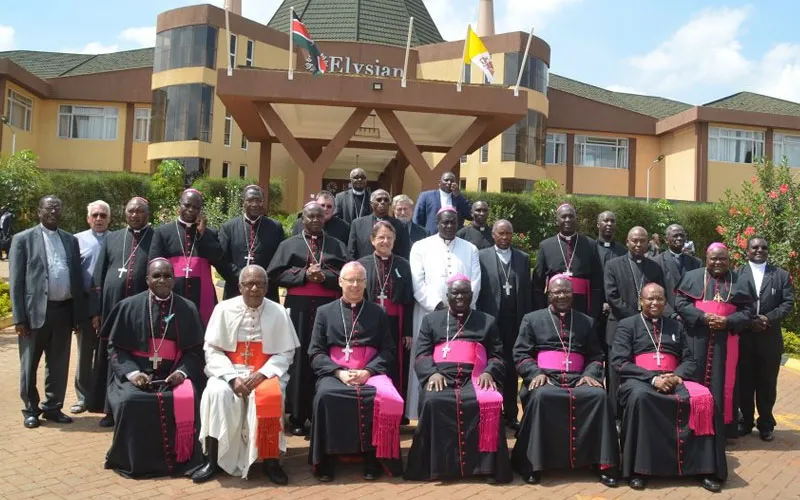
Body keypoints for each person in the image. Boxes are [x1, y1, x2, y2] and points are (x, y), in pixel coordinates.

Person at [194, 265, 300, 484]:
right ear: (240, 287)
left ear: (267, 287)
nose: (254, 289)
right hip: (229, 372)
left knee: (270, 396)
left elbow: (286, 351)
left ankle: (271, 461)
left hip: (264, 373)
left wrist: (262, 374)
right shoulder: (223, 309)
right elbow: (212, 349)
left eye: (260, 284)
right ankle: (212, 460)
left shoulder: (278, 312)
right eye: (249, 284)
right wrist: (231, 377)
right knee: (216, 394)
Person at [611, 283, 721, 492]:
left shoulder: (675, 327)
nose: (655, 303)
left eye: (660, 298)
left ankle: (703, 469)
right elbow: (620, 362)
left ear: (665, 302)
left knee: (704, 399)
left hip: (673, 378)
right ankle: (639, 470)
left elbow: (690, 360)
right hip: (640, 380)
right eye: (650, 299)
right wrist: (652, 378)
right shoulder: (627, 325)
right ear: (640, 301)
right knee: (641, 398)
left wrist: (677, 376)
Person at [511, 276, 619, 486]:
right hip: (546, 376)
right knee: (542, 396)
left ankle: (603, 463)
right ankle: (534, 463)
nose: (561, 296)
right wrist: (535, 374)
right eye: (556, 292)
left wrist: (589, 374)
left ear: (573, 294)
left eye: (566, 292)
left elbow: (596, 355)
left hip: (578, 378)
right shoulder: (532, 319)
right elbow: (521, 353)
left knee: (598, 396)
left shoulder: (586, 322)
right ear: (548, 294)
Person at [102, 258, 206, 478]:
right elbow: (115, 349)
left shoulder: (187, 308)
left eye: (167, 275)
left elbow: (196, 351)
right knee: (131, 401)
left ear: (174, 279)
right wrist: (132, 373)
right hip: (138, 375)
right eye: (157, 276)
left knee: (188, 398)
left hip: (172, 375)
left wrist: (181, 372)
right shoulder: (128, 306)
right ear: (147, 279)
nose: (162, 280)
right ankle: (135, 461)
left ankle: (183, 459)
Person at [404, 275, 511, 483]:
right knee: (434, 401)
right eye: (455, 293)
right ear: (447, 295)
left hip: (476, 378)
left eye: (465, 293)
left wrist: (490, 372)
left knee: (488, 402)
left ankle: (485, 467)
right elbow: (422, 354)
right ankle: (435, 467)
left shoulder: (486, 321)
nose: (460, 297)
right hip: (441, 377)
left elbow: (497, 355)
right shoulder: (431, 320)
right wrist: (431, 373)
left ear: (471, 295)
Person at [308, 262, 404, 481]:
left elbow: (388, 349)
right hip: (336, 372)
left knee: (381, 397)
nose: (354, 285)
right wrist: (338, 372)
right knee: (326, 395)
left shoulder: (377, 312)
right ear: (340, 282)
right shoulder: (324, 312)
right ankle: (327, 459)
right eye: (350, 280)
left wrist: (369, 371)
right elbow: (315, 352)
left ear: (365, 283)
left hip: (370, 372)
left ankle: (373, 457)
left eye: (359, 280)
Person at [675, 243, 755, 482]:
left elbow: (748, 311)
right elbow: (680, 303)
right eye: (713, 259)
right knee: (694, 382)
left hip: (725, 342)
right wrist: (702, 317)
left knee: (722, 386)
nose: (718, 263)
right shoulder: (691, 277)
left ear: (729, 260)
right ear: (706, 259)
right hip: (697, 339)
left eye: (722, 259)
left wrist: (728, 322)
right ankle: (691, 429)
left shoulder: (739, 281)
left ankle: (719, 432)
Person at [267, 202, 347, 436]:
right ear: (303, 219)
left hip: (329, 309)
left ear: (325, 219)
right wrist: (303, 274)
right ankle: (298, 416)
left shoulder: (337, 245)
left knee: (326, 355)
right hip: (299, 310)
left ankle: (321, 412)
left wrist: (325, 277)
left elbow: (346, 273)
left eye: (319, 216)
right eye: (310, 216)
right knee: (299, 359)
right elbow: (274, 275)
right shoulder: (289, 245)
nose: (314, 220)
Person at [10, 195, 86, 429]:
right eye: (48, 208)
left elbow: (76, 278)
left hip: (63, 312)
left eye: (57, 208)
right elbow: (16, 282)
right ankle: (30, 409)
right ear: (39, 211)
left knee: (58, 363)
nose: (53, 211)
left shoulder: (70, 240)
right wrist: (19, 317)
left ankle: (53, 407)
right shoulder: (23, 239)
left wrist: (76, 315)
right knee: (29, 364)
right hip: (34, 315)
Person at [408, 207, 481, 420]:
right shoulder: (421, 247)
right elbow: (417, 283)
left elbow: (475, 282)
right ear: (437, 223)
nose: (449, 226)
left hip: (463, 316)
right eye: (444, 222)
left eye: (453, 222)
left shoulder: (470, 249)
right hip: (428, 313)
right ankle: (421, 412)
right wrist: (439, 306)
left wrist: (461, 306)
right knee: (426, 358)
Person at [89, 197, 152, 427]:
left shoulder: (155, 238)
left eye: (139, 211)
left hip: (139, 313)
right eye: (131, 211)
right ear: (124, 213)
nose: (135, 215)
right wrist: (96, 311)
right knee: (110, 358)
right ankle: (109, 409)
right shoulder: (113, 238)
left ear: (147, 214)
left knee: (134, 358)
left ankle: (133, 407)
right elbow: (98, 275)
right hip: (111, 309)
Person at [604, 226, 668, 415]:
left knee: (641, 369)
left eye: (642, 240)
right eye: (635, 240)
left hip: (645, 329)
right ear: (627, 242)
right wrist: (635, 319)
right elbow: (612, 297)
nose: (639, 244)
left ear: (648, 242)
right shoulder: (613, 265)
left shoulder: (654, 267)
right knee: (616, 373)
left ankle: (640, 413)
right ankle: (615, 416)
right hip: (618, 326)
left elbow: (660, 294)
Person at [737, 237, 794, 442]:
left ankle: (766, 424)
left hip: (770, 338)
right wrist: (750, 320)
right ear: (747, 251)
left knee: (767, 383)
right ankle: (745, 421)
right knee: (744, 382)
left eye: (763, 247)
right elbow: (732, 302)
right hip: (744, 336)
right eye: (755, 247)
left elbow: (788, 303)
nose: (759, 250)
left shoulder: (780, 275)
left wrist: (767, 318)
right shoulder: (737, 274)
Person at [476, 219, 532, 429]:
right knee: (492, 365)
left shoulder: (523, 258)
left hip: (515, 322)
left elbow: (526, 291)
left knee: (511, 368)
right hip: (491, 321)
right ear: (493, 235)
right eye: (501, 233)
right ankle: (492, 411)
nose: (505, 237)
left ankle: (510, 413)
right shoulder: (482, 256)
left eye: (508, 233)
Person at [358, 221, 414, 414]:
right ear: (372, 240)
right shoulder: (361, 264)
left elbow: (408, 301)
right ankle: (370, 406)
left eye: (389, 238)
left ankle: (395, 410)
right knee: (370, 360)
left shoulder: (403, 265)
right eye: (381, 237)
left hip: (395, 321)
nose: (385, 241)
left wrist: (407, 331)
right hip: (369, 322)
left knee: (395, 363)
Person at [148, 188, 226, 326]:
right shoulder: (163, 232)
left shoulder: (210, 233)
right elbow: (152, 264)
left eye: (196, 207)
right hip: (171, 291)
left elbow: (217, 257)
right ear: (180, 205)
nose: (191, 209)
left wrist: (202, 234)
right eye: (187, 205)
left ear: (201, 210)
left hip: (201, 293)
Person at [71, 200, 110, 415]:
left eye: (103, 215)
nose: (98, 219)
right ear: (88, 218)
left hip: (110, 304)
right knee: (85, 353)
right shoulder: (77, 241)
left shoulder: (116, 239)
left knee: (106, 353)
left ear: (109, 218)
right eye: (95, 215)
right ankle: (83, 398)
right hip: (86, 305)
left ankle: (102, 396)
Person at [532, 203, 602, 316]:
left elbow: (597, 281)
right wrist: (540, 310)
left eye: (571, 216)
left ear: (576, 219)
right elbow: (538, 283)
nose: (568, 220)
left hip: (581, 304)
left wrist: (594, 311)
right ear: (557, 221)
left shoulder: (590, 244)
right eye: (563, 216)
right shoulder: (545, 245)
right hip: (553, 303)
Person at [219, 185, 285, 302]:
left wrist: (262, 280)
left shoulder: (275, 227)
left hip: (265, 290)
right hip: (236, 289)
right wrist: (241, 278)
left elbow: (280, 259)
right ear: (243, 202)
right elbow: (222, 260)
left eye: (258, 200)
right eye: (250, 200)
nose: (254, 204)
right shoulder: (228, 227)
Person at [593, 211, 627, 352]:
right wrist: (599, 303)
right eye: (605, 220)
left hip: (617, 311)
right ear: (597, 224)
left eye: (612, 221)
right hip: (594, 310)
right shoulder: (590, 248)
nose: (609, 224)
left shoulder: (623, 251)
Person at [347, 189, 411, 260]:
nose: (383, 202)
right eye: (379, 200)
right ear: (371, 203)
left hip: (390, 268)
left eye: (386, 200)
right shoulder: (357, 224)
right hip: (364, 268)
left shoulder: (400, 225)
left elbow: (404, 253)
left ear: (389, 204)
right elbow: (351, 252)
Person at [653, 224, 702, 311]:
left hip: (691, 314)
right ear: (666, 239)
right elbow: (655, 293)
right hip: (667, 315)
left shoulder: (696, 263)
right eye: (675, 236)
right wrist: (670, 313)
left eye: (682, 236)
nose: (679, 238)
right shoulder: (656, 262)